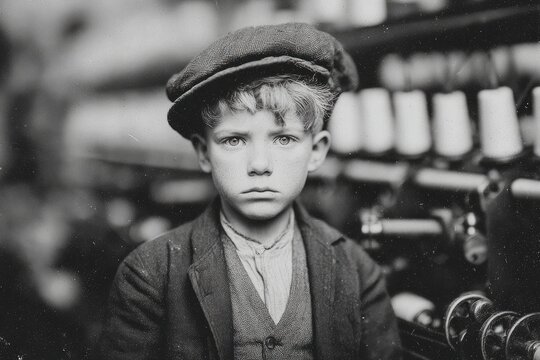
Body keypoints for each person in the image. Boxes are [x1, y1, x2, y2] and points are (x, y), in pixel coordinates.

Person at [97, 22, 401, 360]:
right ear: (203, 153)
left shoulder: (357, 272)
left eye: (284, 139)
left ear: (317, 151)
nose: (259, 164)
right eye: (234, 140)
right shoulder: (150, 275)